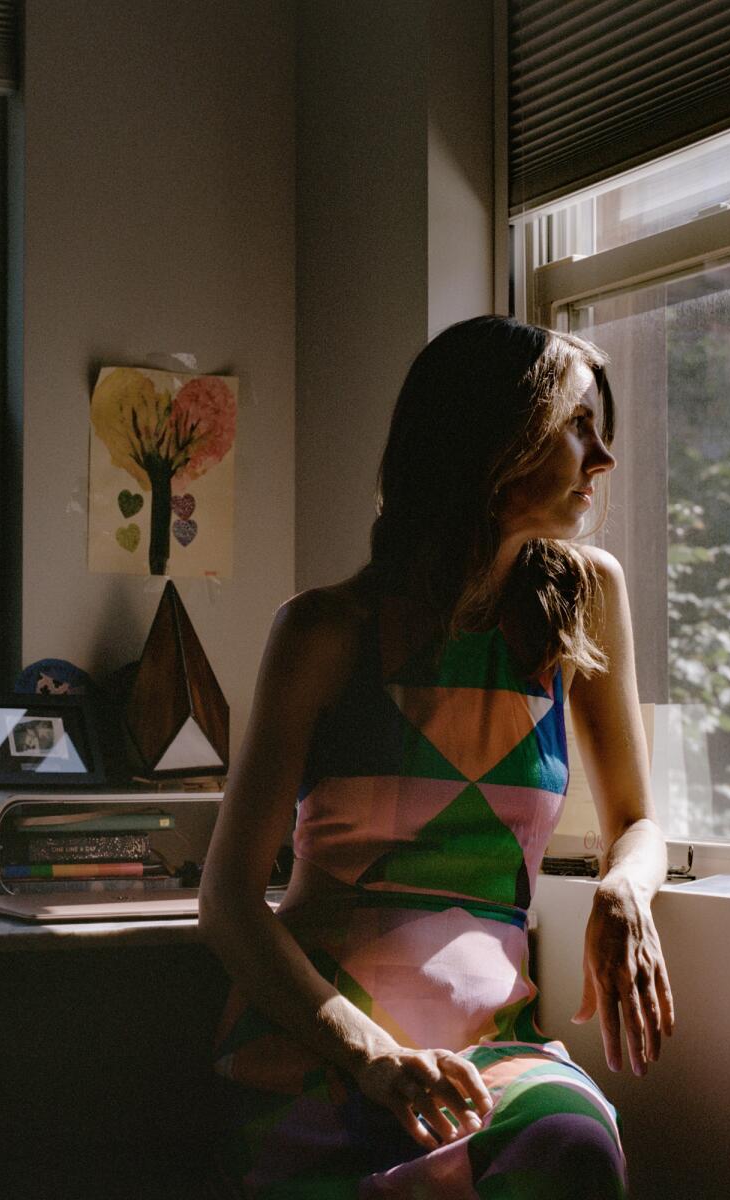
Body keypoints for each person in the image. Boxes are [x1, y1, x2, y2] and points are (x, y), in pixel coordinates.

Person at [198, 315, 674, 1198]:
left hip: (495, 1050)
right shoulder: (324, 631)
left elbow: (638, 822)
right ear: (495, 444)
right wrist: (375, 1057)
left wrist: (625, 887)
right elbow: (227, 900)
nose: (601, 459)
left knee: (573, 1150)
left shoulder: (588, 597)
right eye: (578, 426)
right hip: (320, 1048)